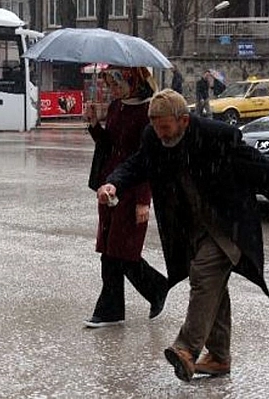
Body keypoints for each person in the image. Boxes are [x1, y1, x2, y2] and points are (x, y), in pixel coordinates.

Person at [96, 89, 269, 381]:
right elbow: (137, 164)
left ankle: (186, 349)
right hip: (194, 226)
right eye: (154, 126)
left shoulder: (216, 136)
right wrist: (113, 184)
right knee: (212, 286)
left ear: (184, 121)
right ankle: (218, 357)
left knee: (204, 275)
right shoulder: (154, 139)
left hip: (228, 222)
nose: (159, 132)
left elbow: (256, 165)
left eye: (165, 126)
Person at [82, 67, 169, 329]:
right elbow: (109, 145)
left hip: (132, 189)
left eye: (118, 82)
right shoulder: (116, 106)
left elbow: (148, 159)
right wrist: (94, 124)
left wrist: (144, 199)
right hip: (109, 186)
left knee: (121, 251)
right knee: (109, 249)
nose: (113, 88)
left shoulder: (149, 112)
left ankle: (121, 304)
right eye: (110, 82)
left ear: (134, 80)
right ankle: (138, 296)